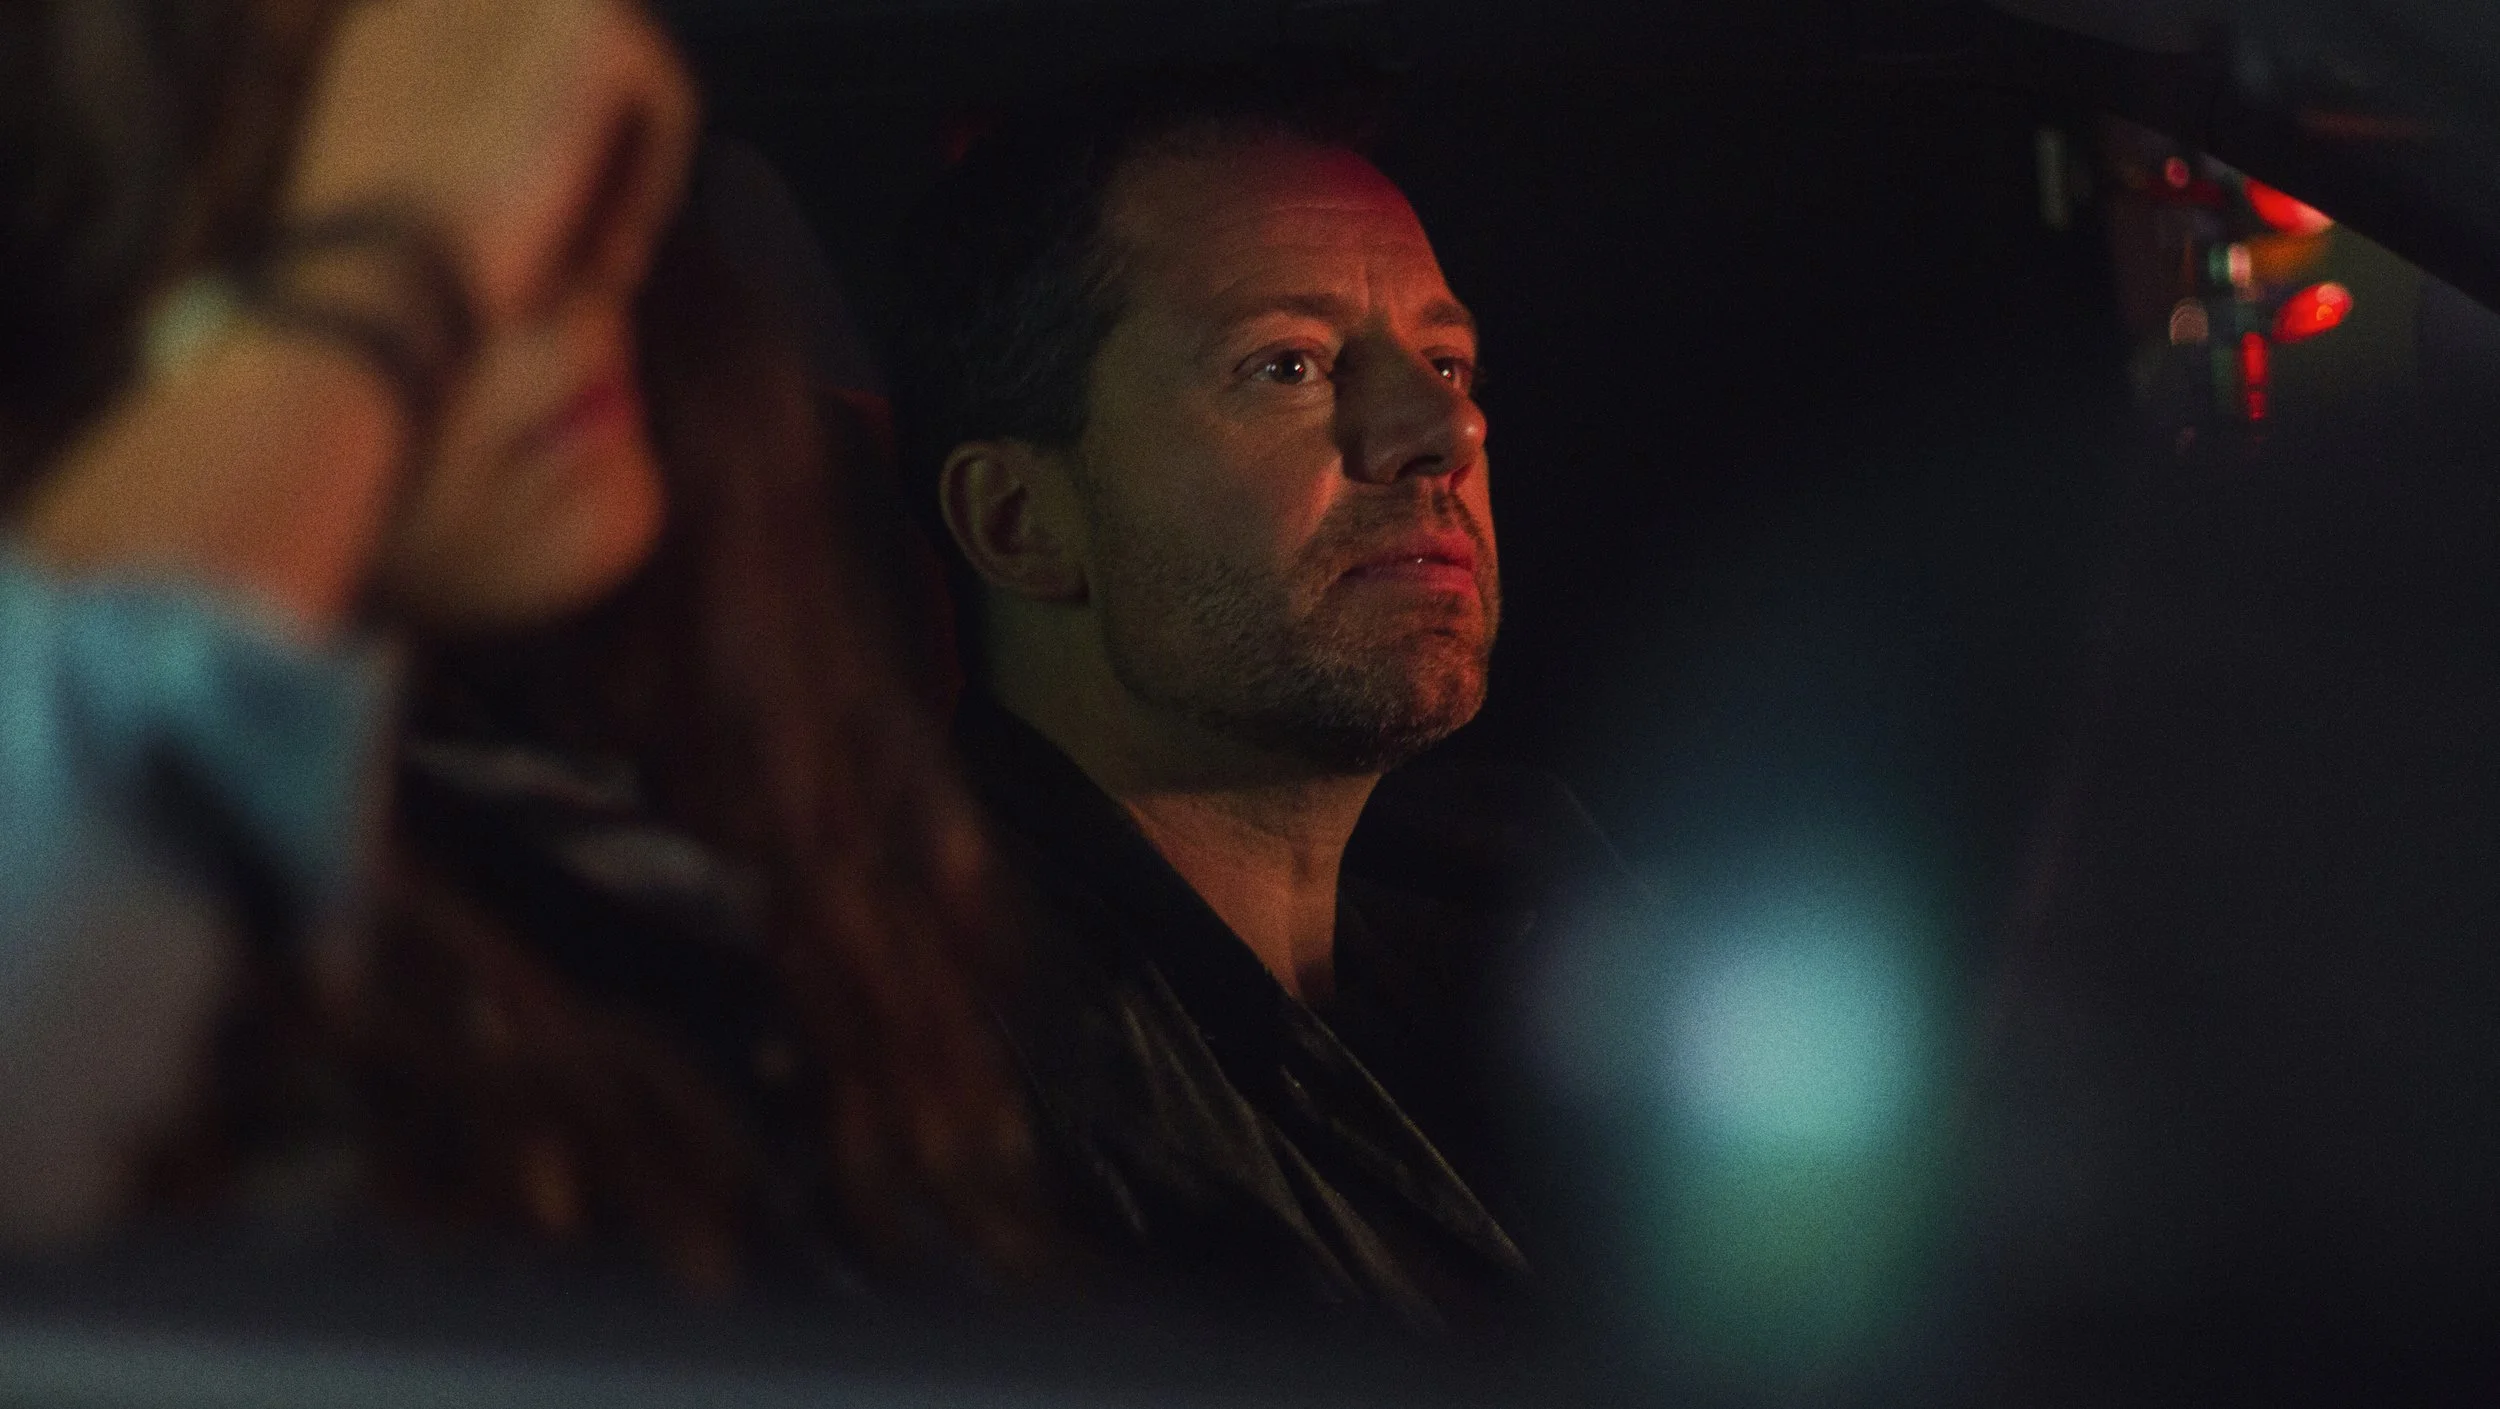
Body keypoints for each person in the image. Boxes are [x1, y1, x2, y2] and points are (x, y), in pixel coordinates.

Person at [1, 0, 1039, 1287]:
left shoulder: (649, 838)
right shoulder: (151, 919)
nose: (560, 260)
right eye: (376, 181)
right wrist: (389, 268)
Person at [889, 80, 1644, 1327]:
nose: (1444, 427)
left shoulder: (1533, 909)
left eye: (1446, 361)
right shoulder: (940, 1064)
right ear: (1019, 522)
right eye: (1287, 364)